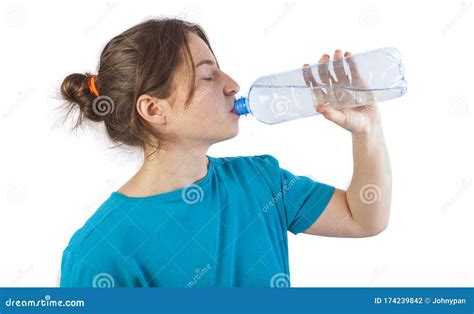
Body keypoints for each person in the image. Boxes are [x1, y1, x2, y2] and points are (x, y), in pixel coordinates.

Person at [58, 18, 391, 288]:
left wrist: (368, 131)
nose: (232, 84)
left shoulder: (261, 182)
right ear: (153, 109)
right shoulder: (99, 253)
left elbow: (362, 218)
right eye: (208, 76)